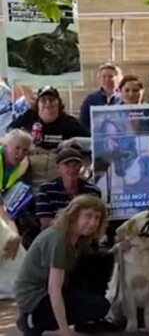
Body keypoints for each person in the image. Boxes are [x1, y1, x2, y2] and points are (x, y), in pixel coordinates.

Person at [15, 195, 119, 336]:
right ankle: (32, 320)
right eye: (88, 216)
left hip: (51, 287)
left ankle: (85, 323)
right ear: (74, 215)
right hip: (35, 296)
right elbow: (54, 289)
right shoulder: (58, 239)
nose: (93, 222)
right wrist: (64, 330)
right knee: (96, 306)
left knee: (101, 260)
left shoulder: (77, 238)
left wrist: (118, 249)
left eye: (97, 218)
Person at [9, 86, 89, 188]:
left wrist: (74, 141)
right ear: (37, 104)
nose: (48, 104)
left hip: (58, 168)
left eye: (51, 100)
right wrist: (25, 145)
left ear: (58, 103)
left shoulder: (69, 122)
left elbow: (91, 142)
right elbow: (8, 135)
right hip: (31, 170)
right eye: (43, 100)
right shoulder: (29, 117)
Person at [35, 148, 101, 230]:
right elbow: (45, 222)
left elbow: (95, 220)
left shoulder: (93, 191)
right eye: (67, 165)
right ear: (58, 168)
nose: (72, 169)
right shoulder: (46, 189)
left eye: (76, 164)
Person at [0, 129, 33, 252]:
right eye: (17, 148)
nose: (20, 153)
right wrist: (12, 230)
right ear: (6, 146)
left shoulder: (23, 166)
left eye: (25, 150)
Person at [79, 63, 121, 127]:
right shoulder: (91, 99)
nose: (107, 80)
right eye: (104, 76)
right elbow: (83, 123)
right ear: (99, 79)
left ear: (118, 78)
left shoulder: (124, 98)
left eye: (111, 76)